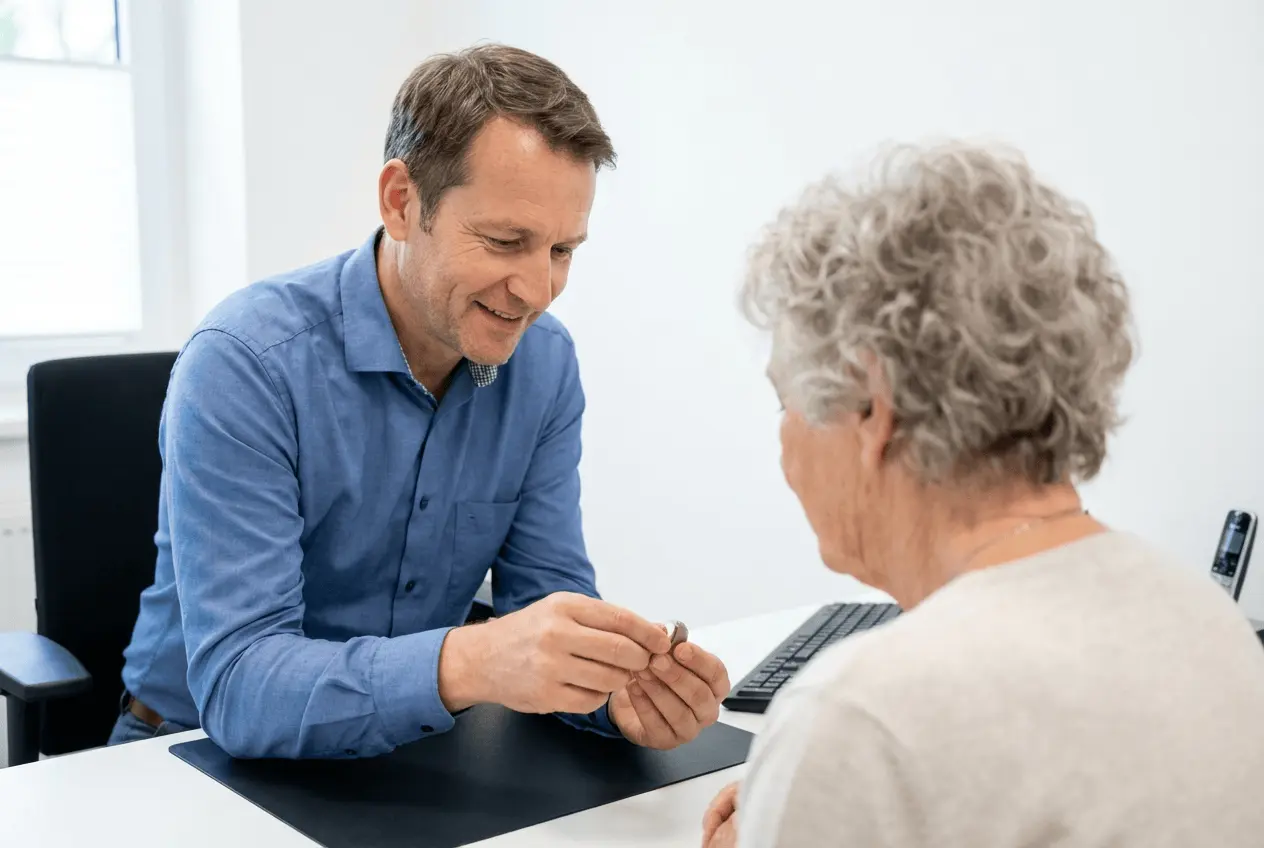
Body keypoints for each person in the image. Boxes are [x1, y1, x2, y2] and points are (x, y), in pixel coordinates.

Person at [111, 43, 731, 759]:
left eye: (562, 251)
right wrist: (474, 659)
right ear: (402, 202)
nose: (537, 290)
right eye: (505, 241)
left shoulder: (546, 363)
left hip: (407, 752)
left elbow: (547, 602)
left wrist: (610, 694)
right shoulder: (246, 363)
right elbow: (241, 686)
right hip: (186, 755)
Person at [701, 142, 1264, 847]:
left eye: (786, 399)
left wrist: (813, 800)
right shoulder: (1215, 628)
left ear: (874, 408)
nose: (783, 441)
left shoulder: (860, 717)